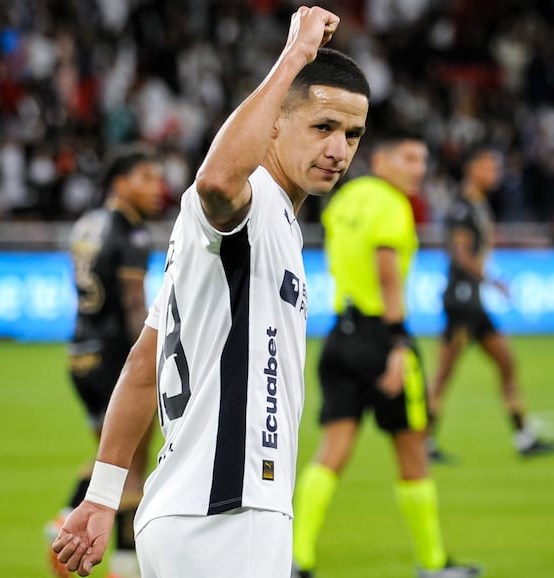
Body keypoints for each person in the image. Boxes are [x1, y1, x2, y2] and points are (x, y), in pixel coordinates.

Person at [51, 7, 370, 578]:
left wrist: (102, 494)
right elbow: (217, 182)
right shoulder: (256, 206)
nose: (338, 149)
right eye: (322, 127)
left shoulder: (220, 240)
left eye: (352, 134)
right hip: (229, 511)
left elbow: (145, 362)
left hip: (180, 511)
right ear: (275, 121)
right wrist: (294, 55)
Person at [291, 134, 482, 578]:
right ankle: (433, 564)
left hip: (341, 332)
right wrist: (398, 344)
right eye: (409, 158)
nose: (419, 168)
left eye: (424, 159)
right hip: (381, 335)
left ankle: (297, 558)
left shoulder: (345, 199)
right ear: (381, 160)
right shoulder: (392, 206)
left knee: (332, 451)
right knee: (412, 451)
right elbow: (387, 275)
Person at [46, 144, 165, 578]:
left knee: (106, 454)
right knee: (132, 465)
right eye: (147, 178)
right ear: (120, 183)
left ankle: (62, 517)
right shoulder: (131, 232)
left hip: (81, 352)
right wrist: (154, 359)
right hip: (117, 357)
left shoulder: (87, 223)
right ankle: (126, 565)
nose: (158, 188)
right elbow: (135, 303)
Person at [427, 146, 554, 461]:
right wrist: (492, 281)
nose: (495, 174)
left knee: (505, 362)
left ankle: (524, 439)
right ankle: (424, 444)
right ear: (472, 168)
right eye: (489, 167)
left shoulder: (476, 204)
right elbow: (459, 254)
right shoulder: (463, 207)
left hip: (472, 303)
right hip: (462, 301)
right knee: (444, 374)